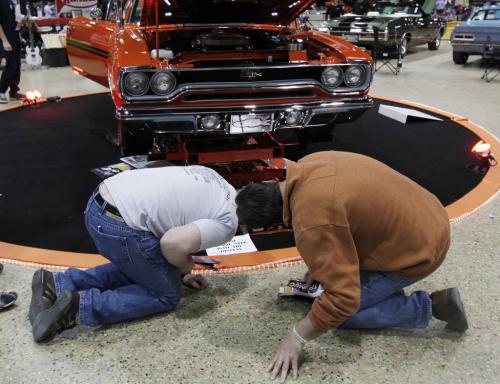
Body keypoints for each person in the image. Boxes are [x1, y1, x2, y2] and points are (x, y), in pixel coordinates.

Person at [235, 151, 469, 381]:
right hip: (430, 215)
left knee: (342, 315)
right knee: (329, 291)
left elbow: (343, 300)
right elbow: (346, 217)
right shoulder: (311, 162)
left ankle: (430, 306)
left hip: (421, 252)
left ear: (278, 222)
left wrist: (295, 338)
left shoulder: (312, 220)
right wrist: (320, 264)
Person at [29, 165, 238, 342]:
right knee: (166, 294)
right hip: (118, 226)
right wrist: (184, 269)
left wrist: (175, 270)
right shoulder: (228, 223)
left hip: (98, 203)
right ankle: (78, 308)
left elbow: (168, 228)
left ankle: (57, 283)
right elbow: (171, 243)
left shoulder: (217, 179)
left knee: (145, 263)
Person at [0, 0, 26, 103]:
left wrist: (21, 22)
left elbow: (16, 23)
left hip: (15, 36)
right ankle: (1, 91)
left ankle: (14, 91)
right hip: (6, 38)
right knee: (11, 64)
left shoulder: (15, 2)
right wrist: (4, 40)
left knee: (17, 65)